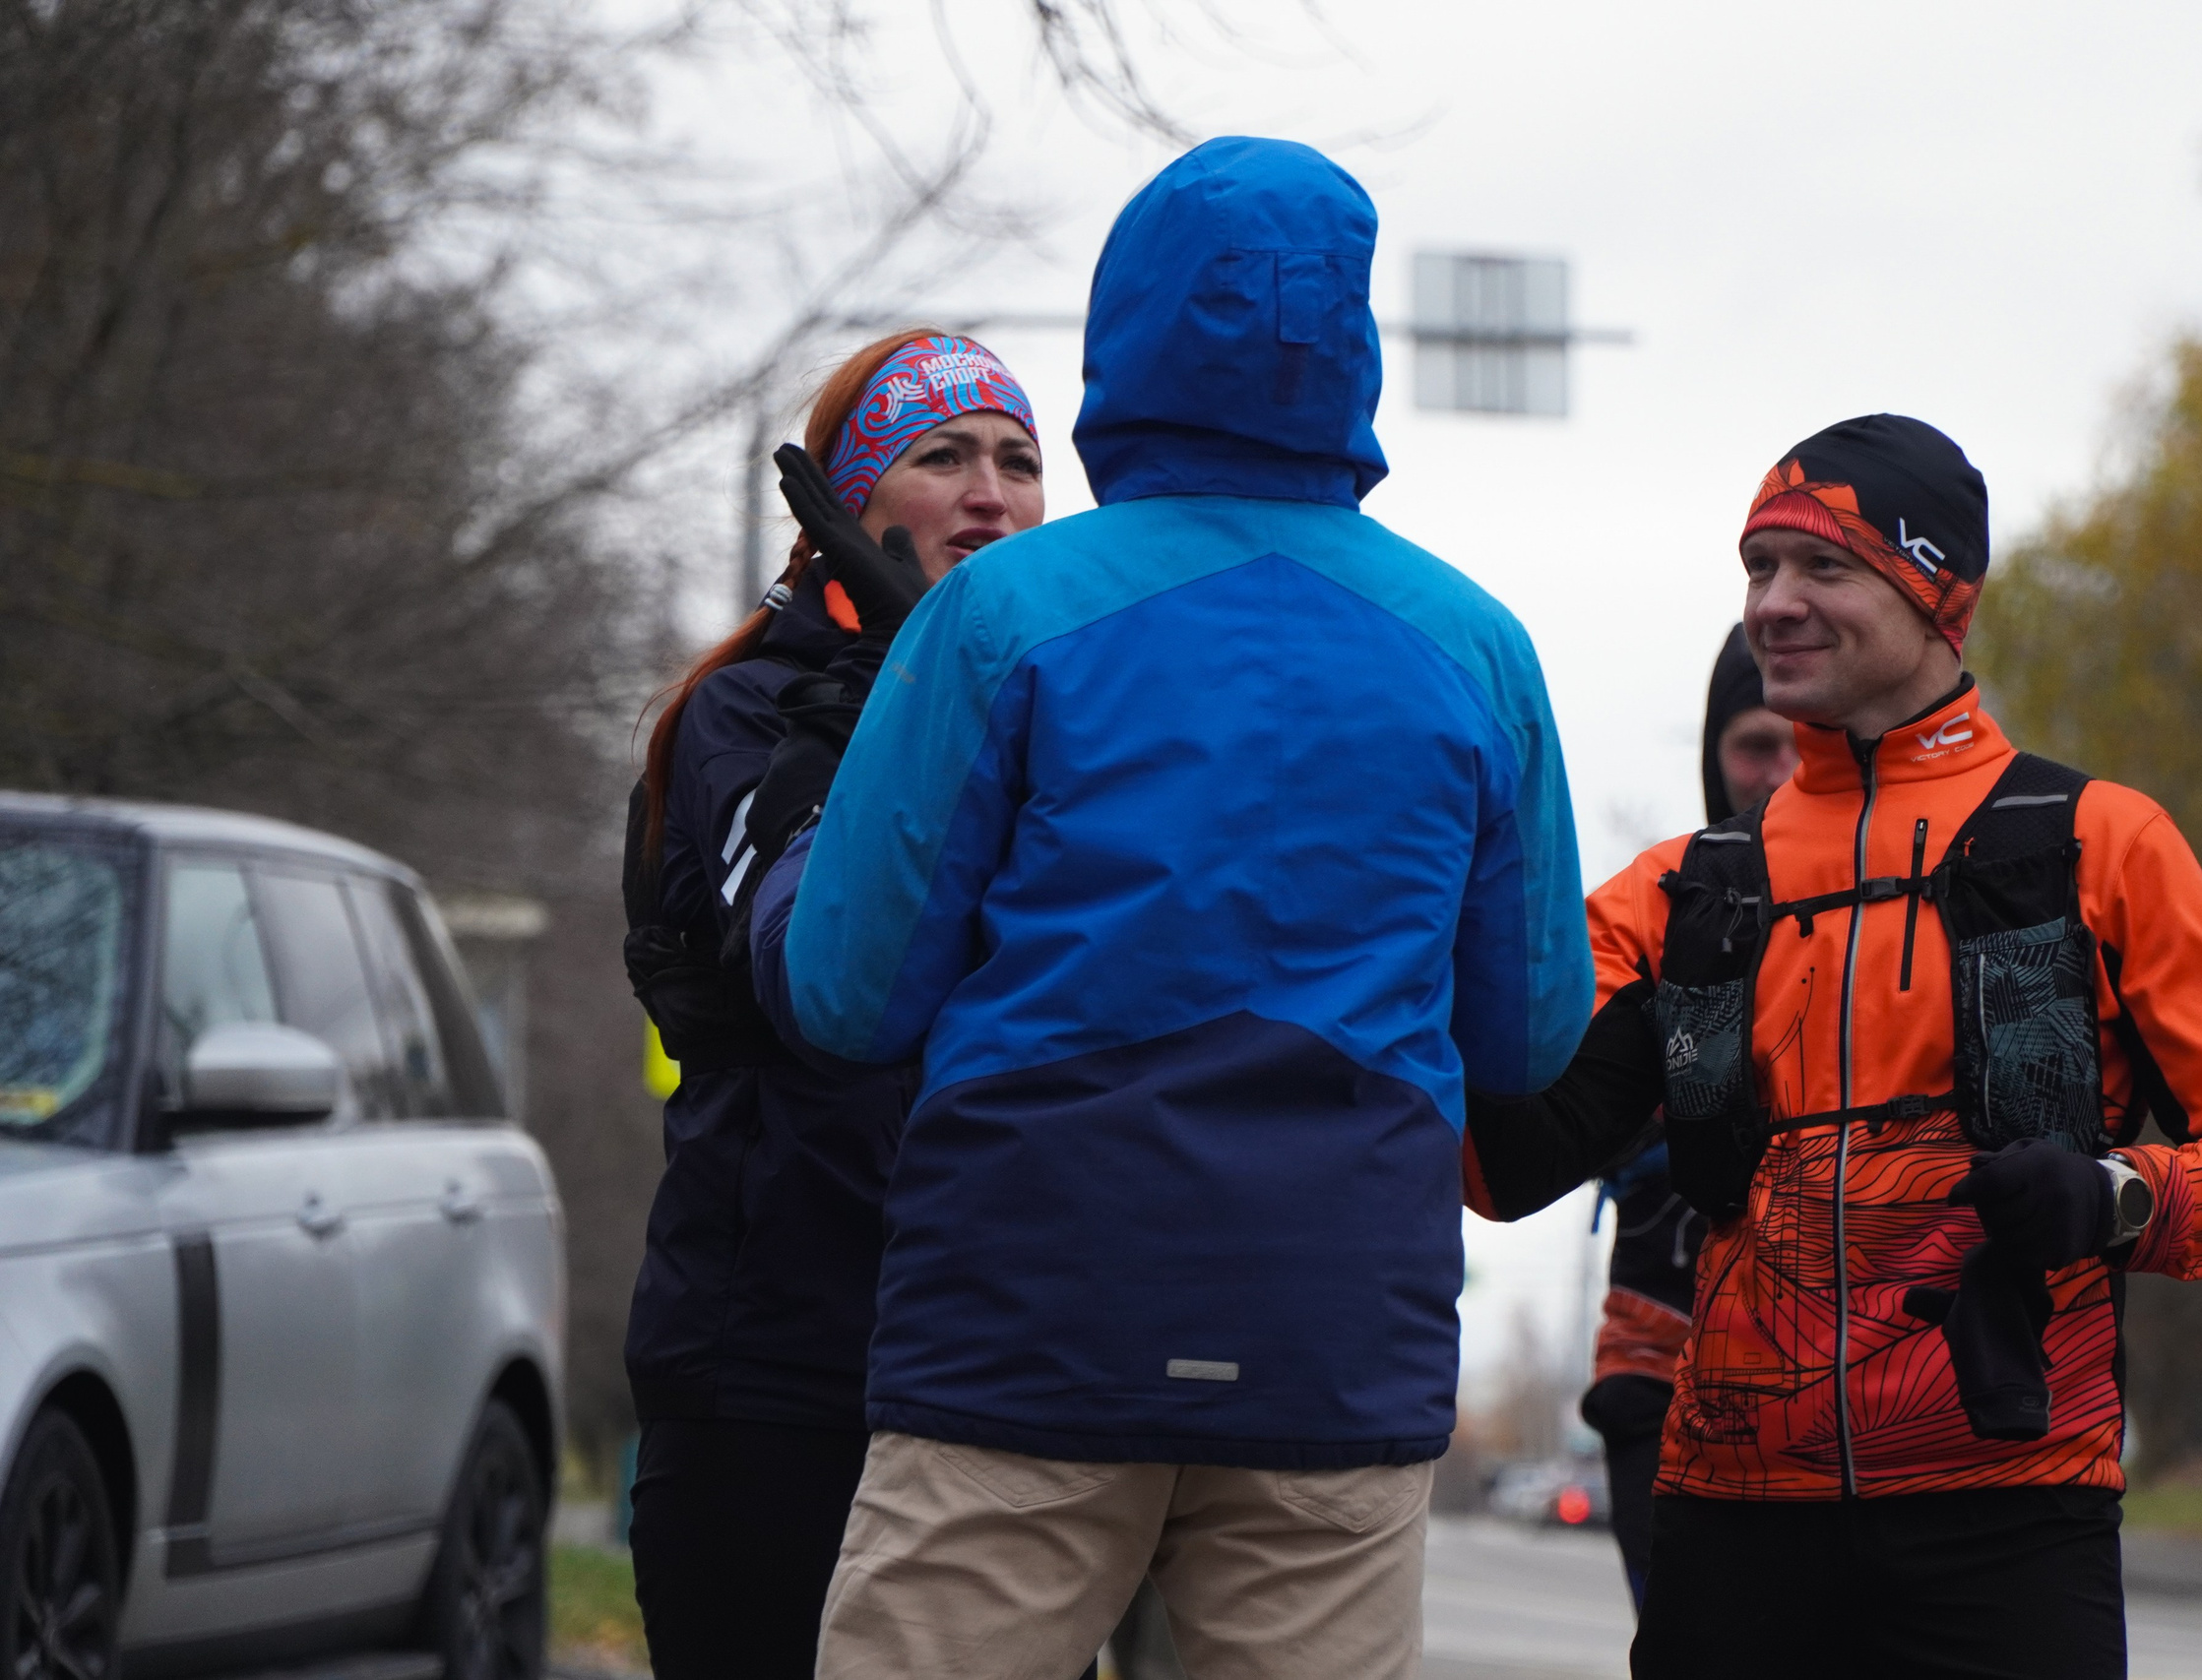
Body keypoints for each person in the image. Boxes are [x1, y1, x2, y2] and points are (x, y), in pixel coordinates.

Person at [779, 136, 1593, 1680]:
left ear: (1128, 329)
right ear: (1346, 340)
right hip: (1335, 1333)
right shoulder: (1477, 646)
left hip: (1026, 1318)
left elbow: (847, 991)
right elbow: (1534, 1028)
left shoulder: (1001, 614)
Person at [1461, 413, 2202, 1679]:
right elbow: (1497, 1166)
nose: (1774, 605)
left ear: (1942, 596)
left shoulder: (2102, 842)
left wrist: (2113, 1195)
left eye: (1824, 568)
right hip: (1733, 1519)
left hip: (2009, 1512)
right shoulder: (1678, 893)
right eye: (1757, 569)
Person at [617, 328, 1044, 1680]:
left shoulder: (1066, 715)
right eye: (943, 455)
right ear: (851, 503)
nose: (992, 491)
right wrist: (905, 678)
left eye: (1021, 463)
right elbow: (810, 963)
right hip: (772, 1374)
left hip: (997, 1370)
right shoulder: (745, 708)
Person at [1578, 623, 1797, 1609]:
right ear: (1715, 757)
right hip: (1656, 1375)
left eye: (1805, 739)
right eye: (1756, 745)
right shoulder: (1648, 915)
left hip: (1854, 1397)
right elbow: (1537, 1093)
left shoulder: (1917, 910)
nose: (1781, 772)